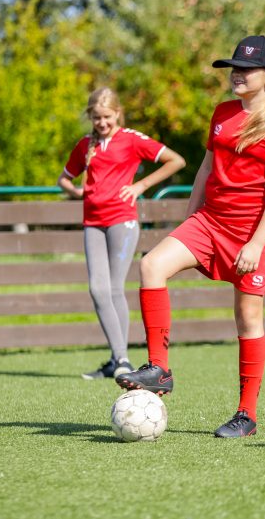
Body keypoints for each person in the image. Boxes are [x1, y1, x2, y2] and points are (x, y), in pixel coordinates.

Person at [115, 35, 265, 439]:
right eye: (233, 67)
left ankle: (246, 415)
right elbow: (205, 168)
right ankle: (159, 368)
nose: (236, 74)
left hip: (250, 233)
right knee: (151, 265)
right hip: (208, 222)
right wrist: (189, 218)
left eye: (245, 69)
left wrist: (255, 244)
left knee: (248, 318)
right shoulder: (222, 112)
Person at [58, 87, 185, 381]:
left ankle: (122, 360)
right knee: (97, 289)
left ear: (118, 114)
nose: (102, 122)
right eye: (96, 117)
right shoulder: (84, 146)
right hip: (92, 222)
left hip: (122, 222)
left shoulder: (132, 139)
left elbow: (176, 161)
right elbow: (63, 178)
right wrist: (78, 192)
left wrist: (140, 187)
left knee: (114, 288)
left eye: (107, 117)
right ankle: (118, 358)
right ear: (90, 116)